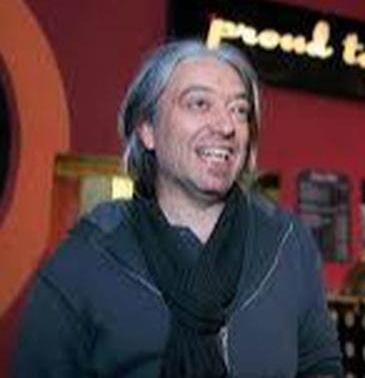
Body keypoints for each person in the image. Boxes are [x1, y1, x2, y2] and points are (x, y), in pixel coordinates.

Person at [13, 40, 343, 377]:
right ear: (148, 129)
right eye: (199, 103)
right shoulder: (87, 257)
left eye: (240, 110)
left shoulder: (287, 243)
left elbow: (321, 366)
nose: (226, 126)